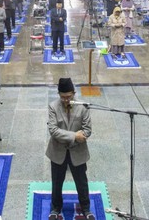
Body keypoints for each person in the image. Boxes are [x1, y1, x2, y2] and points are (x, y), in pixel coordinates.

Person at [47, 78, 94, 220]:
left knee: (81, 182)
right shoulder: (53, 107)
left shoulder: (83, 106)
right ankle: (55, 208)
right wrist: (74, 136)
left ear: (74, 93)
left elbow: (87, 130)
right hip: (58, 151)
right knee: (57, 182)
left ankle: (86, 208)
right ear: (58, 94)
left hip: (77, 151)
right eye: (63, 97)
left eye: (69, 96)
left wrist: (81, 136)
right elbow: (53, 130)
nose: (66, 100)